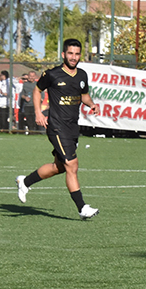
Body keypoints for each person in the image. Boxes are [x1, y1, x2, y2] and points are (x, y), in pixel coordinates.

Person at [15, 39, 101, 219]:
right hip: (56, 126)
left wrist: (92, 104)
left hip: (72, 127)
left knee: (59, 167)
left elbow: (84, 95)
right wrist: (38, 112)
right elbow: (37, 90)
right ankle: (82, 208)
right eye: (70, 53)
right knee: (72, 164)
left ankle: (25, 181)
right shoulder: (52, 74)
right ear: (63, 54)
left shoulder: (82, 75)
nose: (73, 57)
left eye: (77, 54)